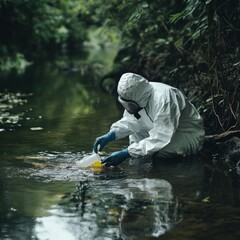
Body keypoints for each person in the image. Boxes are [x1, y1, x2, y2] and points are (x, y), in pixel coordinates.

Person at [93, 72, 205, 167]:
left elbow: (161, 136)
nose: (128, 109)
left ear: (139, 99)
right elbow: (131, 121)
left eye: (130, 105)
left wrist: (126, 153)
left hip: (186, 134)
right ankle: (139, 173)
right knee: (138, 145)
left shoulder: (164, 100)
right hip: (162, 131)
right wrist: (112, 134)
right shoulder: (138, 94)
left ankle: (164, 174)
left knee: (157, 152)